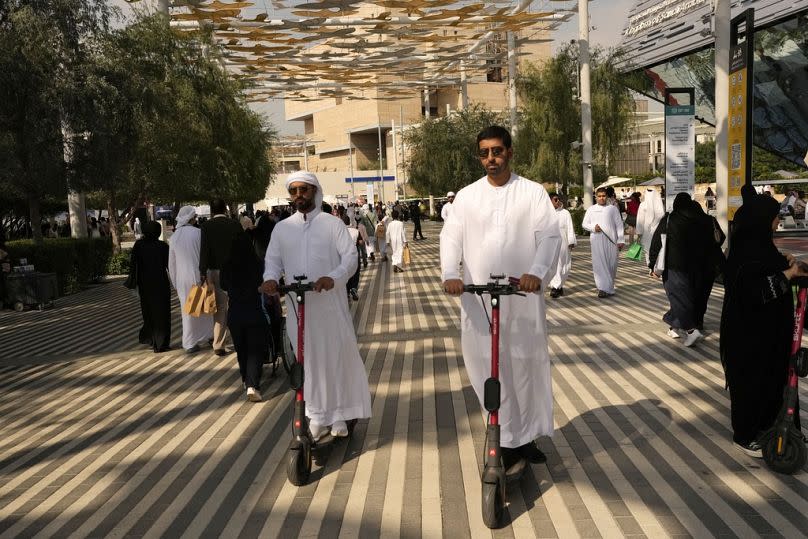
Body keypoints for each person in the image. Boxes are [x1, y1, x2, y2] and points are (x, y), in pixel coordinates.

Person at [441, 125, 561, 469]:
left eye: (497, 151)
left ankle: (525, 439)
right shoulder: (467, 196)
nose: (491, 159)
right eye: (484, 153)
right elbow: (451, 237)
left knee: (524, 366)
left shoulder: (533, 193)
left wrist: (537, 272)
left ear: (510, 152)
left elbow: (550, 237)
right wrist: (451, 274)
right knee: (486, 366)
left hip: (522, 298)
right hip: (479, 299)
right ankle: (504, 435)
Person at [259, 171, 371, 439]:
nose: (299, 195)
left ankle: (341, 414)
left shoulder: (332, 225)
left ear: (314, 191)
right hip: (299, 306)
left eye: (304, 190)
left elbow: (349, 259)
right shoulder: (282, 228)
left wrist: (333, 278)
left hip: (329, 305)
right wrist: (271, 279)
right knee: (308, 361)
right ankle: (318, 415)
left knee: (334, 358)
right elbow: (273, 261)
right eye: (294, 190)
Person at [721, 186, 807, 457]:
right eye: (773, 218)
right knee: (750, 384)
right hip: (747, 336)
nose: (777, 222)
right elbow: (755, 292)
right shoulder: (744, 254)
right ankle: (745, 436)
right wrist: (787, 274)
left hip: (769, 336)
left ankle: (776, 429)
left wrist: (787, 264)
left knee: (773, 382)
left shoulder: (760, 247)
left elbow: (772, 271)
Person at [648, 193, 712, 347]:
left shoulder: (670, 219)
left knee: (677, 297)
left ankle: (691, 331)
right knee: (686, 297)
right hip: (699, 266)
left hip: (674, 265)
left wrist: (652, 264)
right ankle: (674, 327)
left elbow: (657, 242)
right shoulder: (702, 219)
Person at [221, 230, 270, 402]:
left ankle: (245, 379)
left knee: (241, 349)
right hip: (254, 310)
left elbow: (223, 285)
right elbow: (263, 282)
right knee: (255, 350)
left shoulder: (227, 264)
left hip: (235, 313)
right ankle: (252, 385)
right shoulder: (257, 263)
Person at [199, 199, 244, 355]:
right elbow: (244, 248)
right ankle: (240, 340)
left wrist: (202, 272)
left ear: (211, 210)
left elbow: (204, 251)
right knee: (237, 305)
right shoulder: (235, 224)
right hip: (236, 270)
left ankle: (219, 344)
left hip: (215, 272)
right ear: (225, 209)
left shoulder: (206, 227)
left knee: (220, 309)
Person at [168, 206, 214, 354]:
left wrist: (175, 282)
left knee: (187, 311)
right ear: (191, 218)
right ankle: (210, 336)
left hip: (182, 279)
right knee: (206, 308)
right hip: (200, 275)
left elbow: (171, 264)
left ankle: (190, 342)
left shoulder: (174, 237)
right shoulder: (199, 233)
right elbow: (205, 256)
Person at [130, 221, 171, 353]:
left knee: (148, 312)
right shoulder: (162, 246)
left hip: (144, 284)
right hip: (160, 284)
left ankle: (152, 339)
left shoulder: (139, 245)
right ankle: (162, 343)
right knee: (162, 312)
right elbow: (170, 265)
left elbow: (133, 265)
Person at [582, 187, 625, 298]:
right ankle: (602, 288)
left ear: (606, 196)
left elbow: (619, 225)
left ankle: (609, 288)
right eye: (599, 196)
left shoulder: (613, 209)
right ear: (596, 197)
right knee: (599, 264)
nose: (601, 198)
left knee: (612, 264)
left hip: (612, 241)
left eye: (603, 196)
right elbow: (584, 224)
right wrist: (593, 227)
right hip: (597, 240)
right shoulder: (591, 209)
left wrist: (620, 240)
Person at [548, 193, 576, 298]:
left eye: (558, 199)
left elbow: (570, 228)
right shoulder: (545, 213)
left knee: (564, 265)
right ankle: (555, 287)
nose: (558, 201)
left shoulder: (565, 213)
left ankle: (559, 286)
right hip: (550, 243)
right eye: (555, 199)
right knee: (554, 265)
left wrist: (571, 241)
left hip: (563, 243)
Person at [636, 188, 665, 267]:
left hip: (646, 231)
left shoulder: (643, 204)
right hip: (658, 230)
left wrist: (639, 233)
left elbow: (640, 220)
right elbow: (661, 215)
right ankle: (657, 266)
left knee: (648, 249)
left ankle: (650, 266)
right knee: (658, 248)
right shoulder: (660, 205)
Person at [342, 214, 361, 300]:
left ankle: (346, 291)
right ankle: (354, 288)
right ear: (349, 221)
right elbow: (361, 242)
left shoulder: (340, 231)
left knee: (346, 272)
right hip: (354, 253)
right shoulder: (355, 231)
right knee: (356, 271)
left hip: (344, 254)